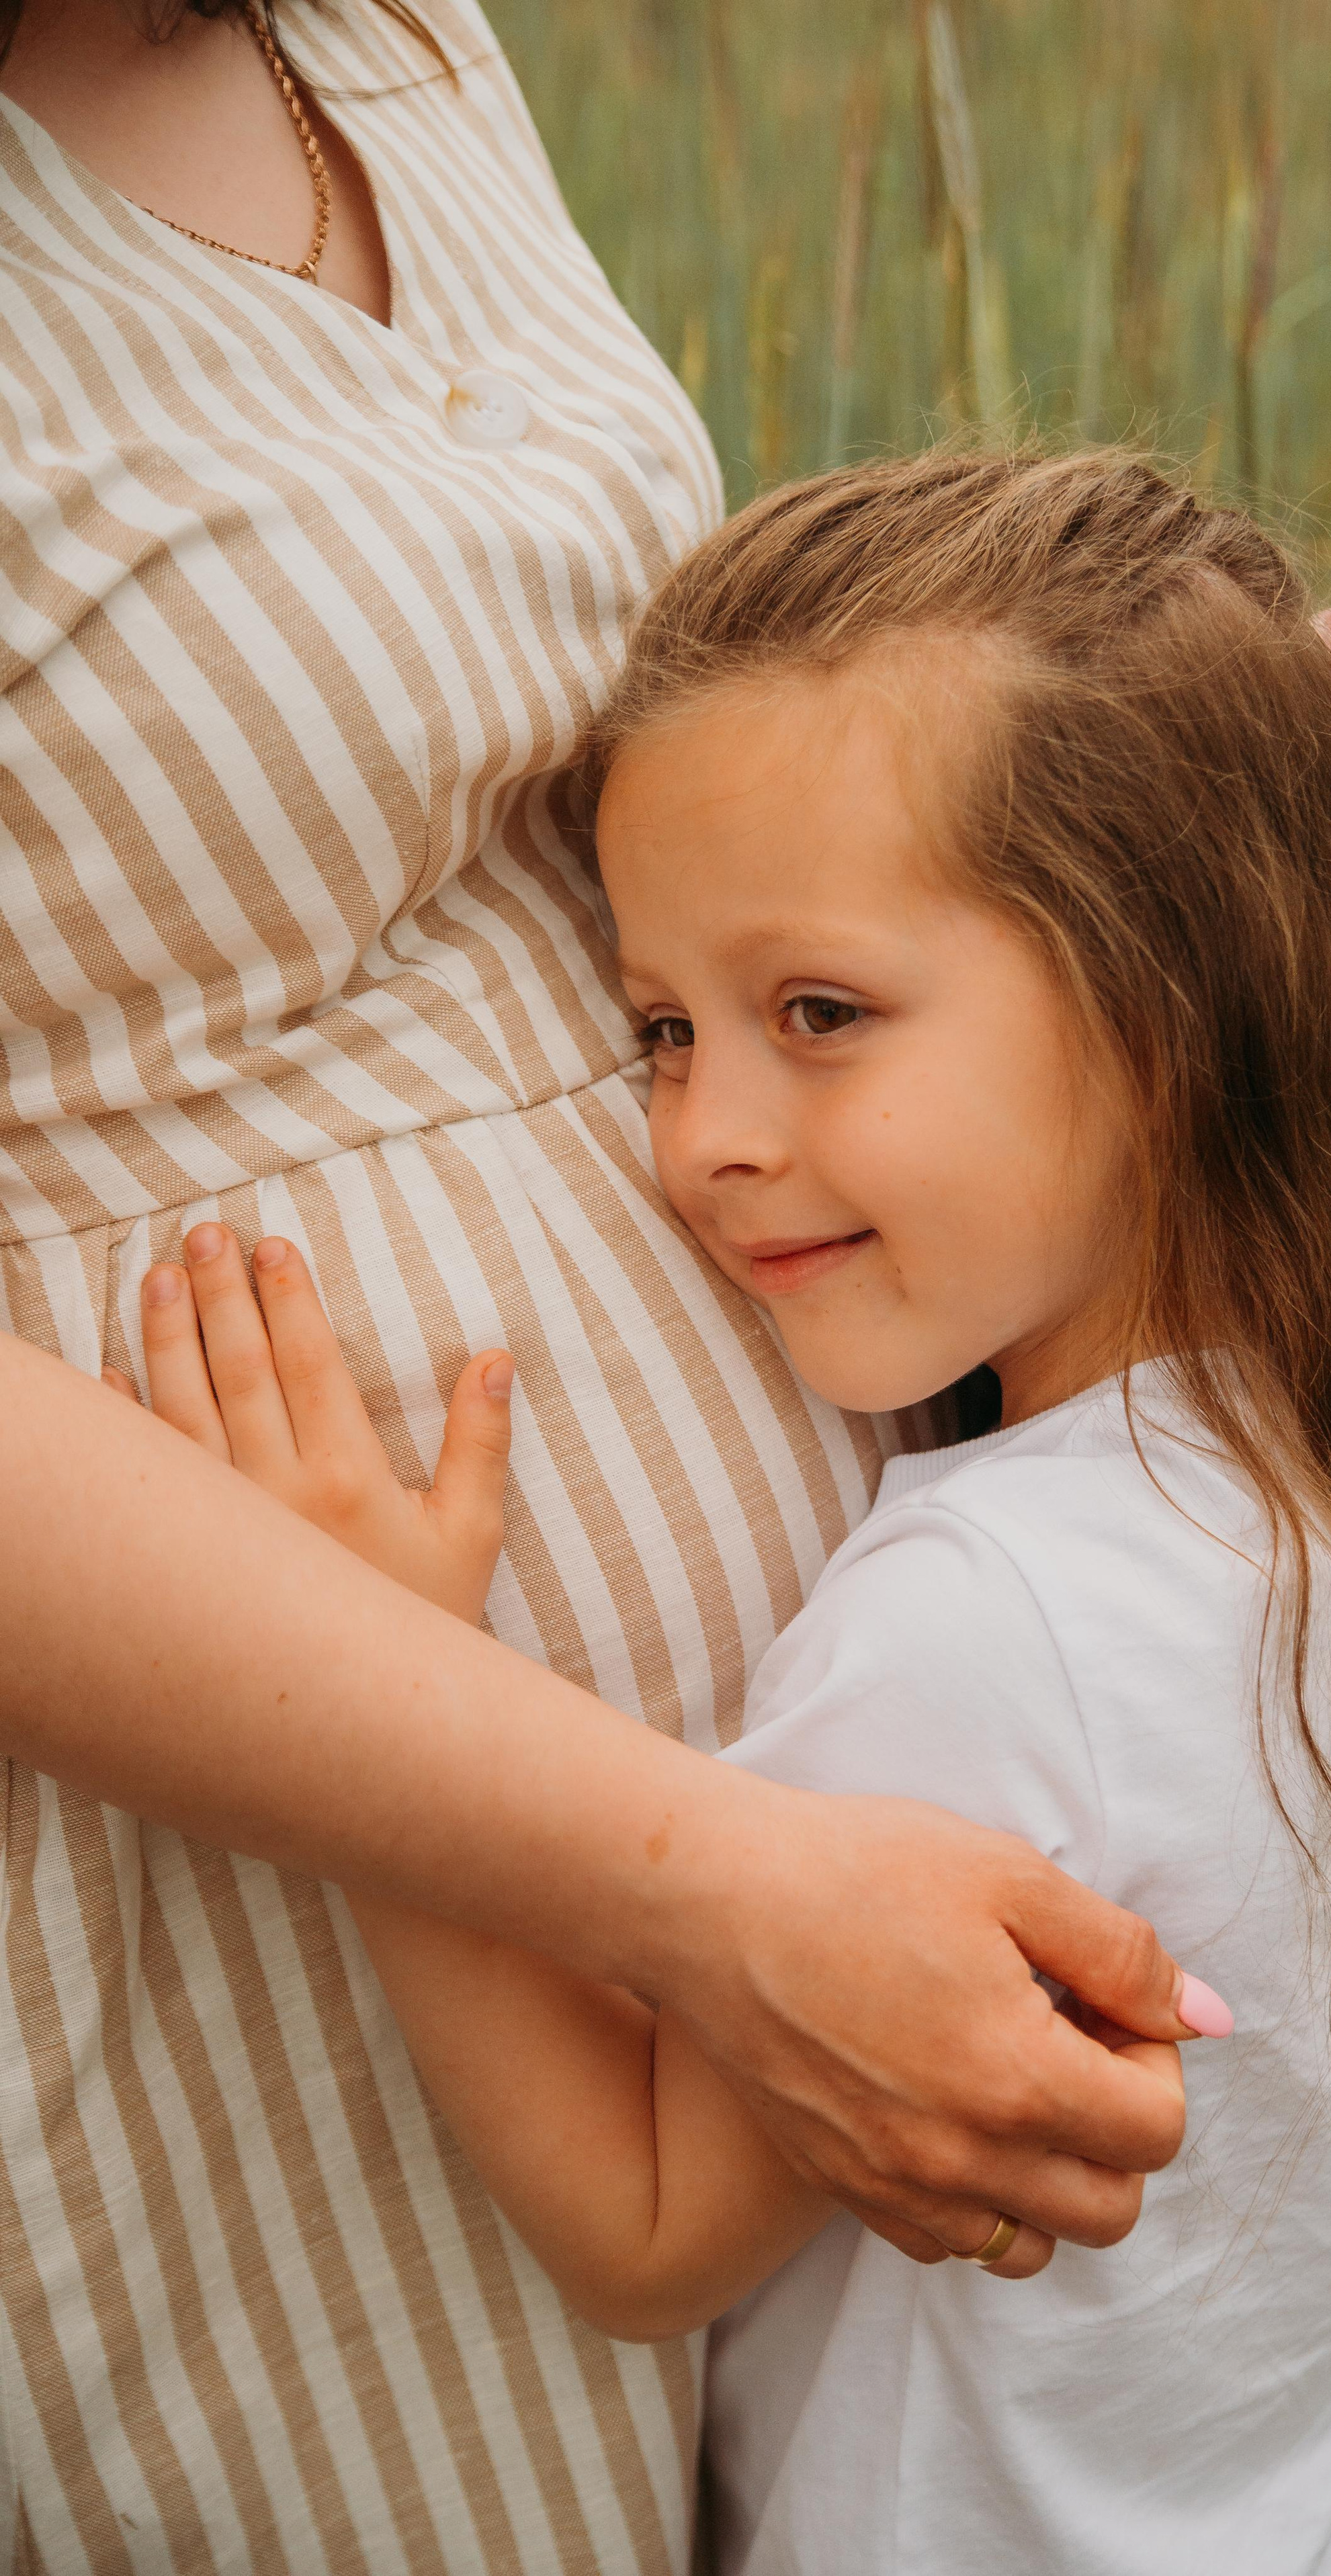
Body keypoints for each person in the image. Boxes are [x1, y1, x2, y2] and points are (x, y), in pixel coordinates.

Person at [0, 5, 1200, 2566]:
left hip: (773, 1907)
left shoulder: (392, 32)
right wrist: (675, 1871)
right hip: (247, 1904)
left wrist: (1160, 811)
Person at [118, 447, 1331, 2573]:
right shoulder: (1322, 1449)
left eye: (820, 1014)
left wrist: (383, 1658)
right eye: (664, 1029)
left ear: (1177, 994)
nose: (703, 1134)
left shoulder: (988, 1610)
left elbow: (647, 2221)